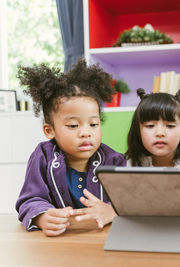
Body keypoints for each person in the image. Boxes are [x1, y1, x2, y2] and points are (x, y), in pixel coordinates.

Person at [15, 58, 127, 236]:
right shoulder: (42, 157)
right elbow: (30, 199)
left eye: (93, 124)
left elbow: (130, 203)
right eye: (73, 125)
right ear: (49, 130)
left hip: (102, 240)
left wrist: (112, 212)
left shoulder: (115, 161)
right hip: (60, 244)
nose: (85, 133)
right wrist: (42, 217)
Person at [126, 87, 180, 167]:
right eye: (150, 126)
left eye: (170, 126)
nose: (160, 133)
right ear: (139, 131)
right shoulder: (128, 167)